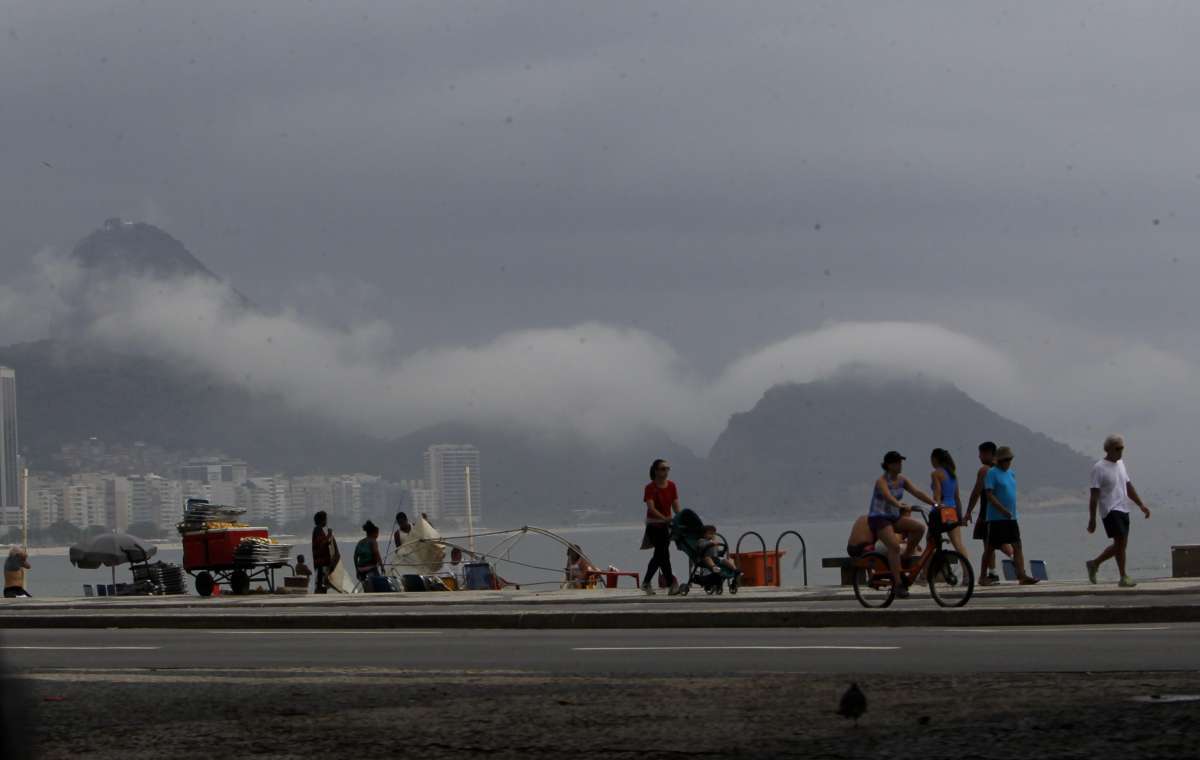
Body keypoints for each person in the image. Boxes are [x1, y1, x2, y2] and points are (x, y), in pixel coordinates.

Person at [868, 451, 937, 599]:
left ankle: (904, 559)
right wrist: (898, 504)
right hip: (879, 518)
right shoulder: (881, 481)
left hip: (893, 517)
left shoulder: (901, 480)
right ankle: (898, 585)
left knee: (919, 528)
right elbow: (888, 496)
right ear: (889, 465)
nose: (900, 465)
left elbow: (917, 492)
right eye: (897, 463)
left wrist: (934, 503)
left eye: (901, 462)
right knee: (894, 546)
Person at [1086, 434, 1151, 587]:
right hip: (1110, 510)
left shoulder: (1120, 464)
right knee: (1120, 542)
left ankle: (1094, 563)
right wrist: (1092, 519)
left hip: (1124, 508)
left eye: (1122, 448)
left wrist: (1141, 505)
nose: (1120, 451)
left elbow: (1128, 486)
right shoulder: (1099, 468)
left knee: (1121, 545)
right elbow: (1094, 496)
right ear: (1108, 449)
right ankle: (1123, 576)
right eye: (1117, 448)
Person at [981, 446, 1038, 586]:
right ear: (1000, 461)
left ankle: (1022, 576)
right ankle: (982, 576)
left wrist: (1010, 512)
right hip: (996, 518)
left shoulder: (1011, 473)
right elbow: (989, 494)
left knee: (1017, 545)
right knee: (990, 548)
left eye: (1010, 459)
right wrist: (1002, 510)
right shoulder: (992, 473)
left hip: (1011, 517)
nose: (1008, 462)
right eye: (1006, 460)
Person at [965, 441, 1012, 584]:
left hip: (988, 514)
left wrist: (968, 512)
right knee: (995, 544)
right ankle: (993, 573)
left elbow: (976, 492)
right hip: (1001, 513)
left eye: (980, 453)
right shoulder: (1002, 469)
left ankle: (1012, 565)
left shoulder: (985, 470)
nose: (979, 457)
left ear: (988, 454)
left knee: (990, 545)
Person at [641, 458, 681, 595]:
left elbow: (676, 506)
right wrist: (664, 518)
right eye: (663, 468)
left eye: (667, 468)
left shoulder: (672, 486)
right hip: (654, 525)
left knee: (660, 555)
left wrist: (680, 518)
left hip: (666, 526)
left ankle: (646, 583)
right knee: (663, 554)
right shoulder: (650, 488)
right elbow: (651, 508)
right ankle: (671, 583)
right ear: (656, 471)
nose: (666, 471)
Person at [930, 448, 970, 561]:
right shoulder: (952, 474)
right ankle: (967, 574)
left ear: (935, 459)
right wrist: (960, 516)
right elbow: (957, 498)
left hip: (940, 510)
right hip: (951, 511)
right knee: (958, 544)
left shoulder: (936, 473)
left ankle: (927, 573)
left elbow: (937, 497)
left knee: (931, 542)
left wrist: (936, 507)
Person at [311, 511, 336, 594]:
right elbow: (321, 544)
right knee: (320, 583)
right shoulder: (318, 530)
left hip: (323, 562)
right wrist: (329, 535)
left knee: (323, 583)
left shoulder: (319, 530)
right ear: (322, 520)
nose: (326, 522)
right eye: (325, 520)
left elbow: (323, 543)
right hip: (320, 563)